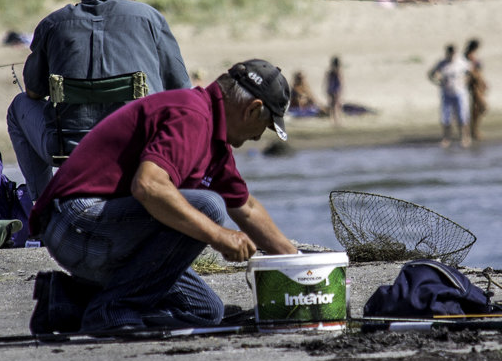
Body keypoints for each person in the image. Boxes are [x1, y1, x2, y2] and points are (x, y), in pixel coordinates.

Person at [27, 59, 300, 335]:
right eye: (264, 126)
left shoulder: (215, 139)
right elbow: (149, 187)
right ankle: (112, 310)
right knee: (209, 207)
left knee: (205, 311)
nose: (257, 137)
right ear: (253, 109)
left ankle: (65, 301)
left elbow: (247, 208)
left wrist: (296, 262)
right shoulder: (191, 115)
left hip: (99, 231)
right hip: (75, 224)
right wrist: (220, 236)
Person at [6, 0, 190, 202]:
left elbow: (34, 92)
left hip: (69, 149)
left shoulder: (52, 24)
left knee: (20, 106)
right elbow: (181, 92)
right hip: (138, 149)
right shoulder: (150, 18)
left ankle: (44, 207)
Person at [427, 43, 471, 148]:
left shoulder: (462, 62)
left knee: (462, 116)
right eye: (450, 53)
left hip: (460, 92)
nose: (451, 55)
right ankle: (446, 138)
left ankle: (465, 137)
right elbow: (431, 74)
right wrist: (437, 81)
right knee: (446, 117)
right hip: (446, 93)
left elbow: (470, 72)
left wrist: (466, 82)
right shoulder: (442, 63)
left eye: (453, 52)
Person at [464, 38, 488, 141]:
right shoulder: (468, 57)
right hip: (474, 84)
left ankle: (474, 130)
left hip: (478, 83)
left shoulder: (471, 56)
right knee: (482, 107)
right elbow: (471, 71)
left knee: (477, 108)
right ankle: (473, 130)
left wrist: (483, 81)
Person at [324, 56, 343, 125]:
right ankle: (336, 120)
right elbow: (340, 82)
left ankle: (334, 120)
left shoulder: (330, 72)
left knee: (334, 105)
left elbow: (327, 82)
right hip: (334, 90)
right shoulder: (336, 73)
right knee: (335, 105)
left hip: (332, 89)